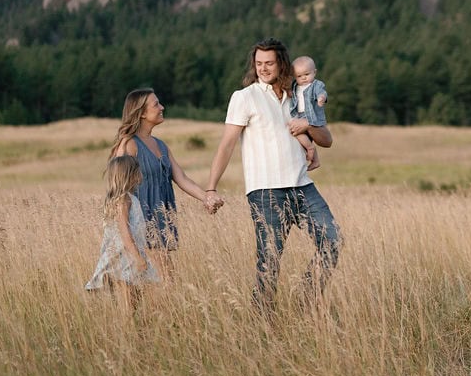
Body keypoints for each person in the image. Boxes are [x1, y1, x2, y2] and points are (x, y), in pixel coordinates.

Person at [206, 38, 341, 311]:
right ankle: (262, 325)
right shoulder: (244, 97)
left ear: (281, 63)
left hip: (302, 186)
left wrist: (307, 124)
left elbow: (326, 139)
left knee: (332, 239)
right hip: (266, 191)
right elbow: (227, 145)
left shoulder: (299, 95)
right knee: (269, 261)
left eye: (269, 63)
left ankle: (306, 299)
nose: (263, 69)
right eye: (258, 64)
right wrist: (211, 187)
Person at [110, 88, 222, 276]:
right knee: (156, 287)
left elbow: (182, 179)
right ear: (142, 113)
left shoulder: (161, 145)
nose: (162, 107)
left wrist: (207, 198)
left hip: (160, 227)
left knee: (158, 289)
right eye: (156, 104)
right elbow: (119, 196)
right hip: (139, 229)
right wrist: (129, 243)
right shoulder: (129, 145)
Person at [85, 155, 160, 307]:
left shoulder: (129, 198)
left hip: (130, 253)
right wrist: (138, 257)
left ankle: (135, 326)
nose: (141, 173)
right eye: (138, 170)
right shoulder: (123, 200)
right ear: (130, 175)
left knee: (137, 297)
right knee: (129, 299)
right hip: (125, 256)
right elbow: (125, 231)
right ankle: (128, 327)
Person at [291, 55, 328, 171]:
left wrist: (322, 98)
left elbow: (322, 92)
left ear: (314, 72)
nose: (303, 78)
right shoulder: (295, 86)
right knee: (295, 132)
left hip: (312, 115)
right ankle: (312, 152)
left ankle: (312, 152)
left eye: (307, 74)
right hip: (298, 115)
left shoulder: (316, 85)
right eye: (299, 76)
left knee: (307, 133)